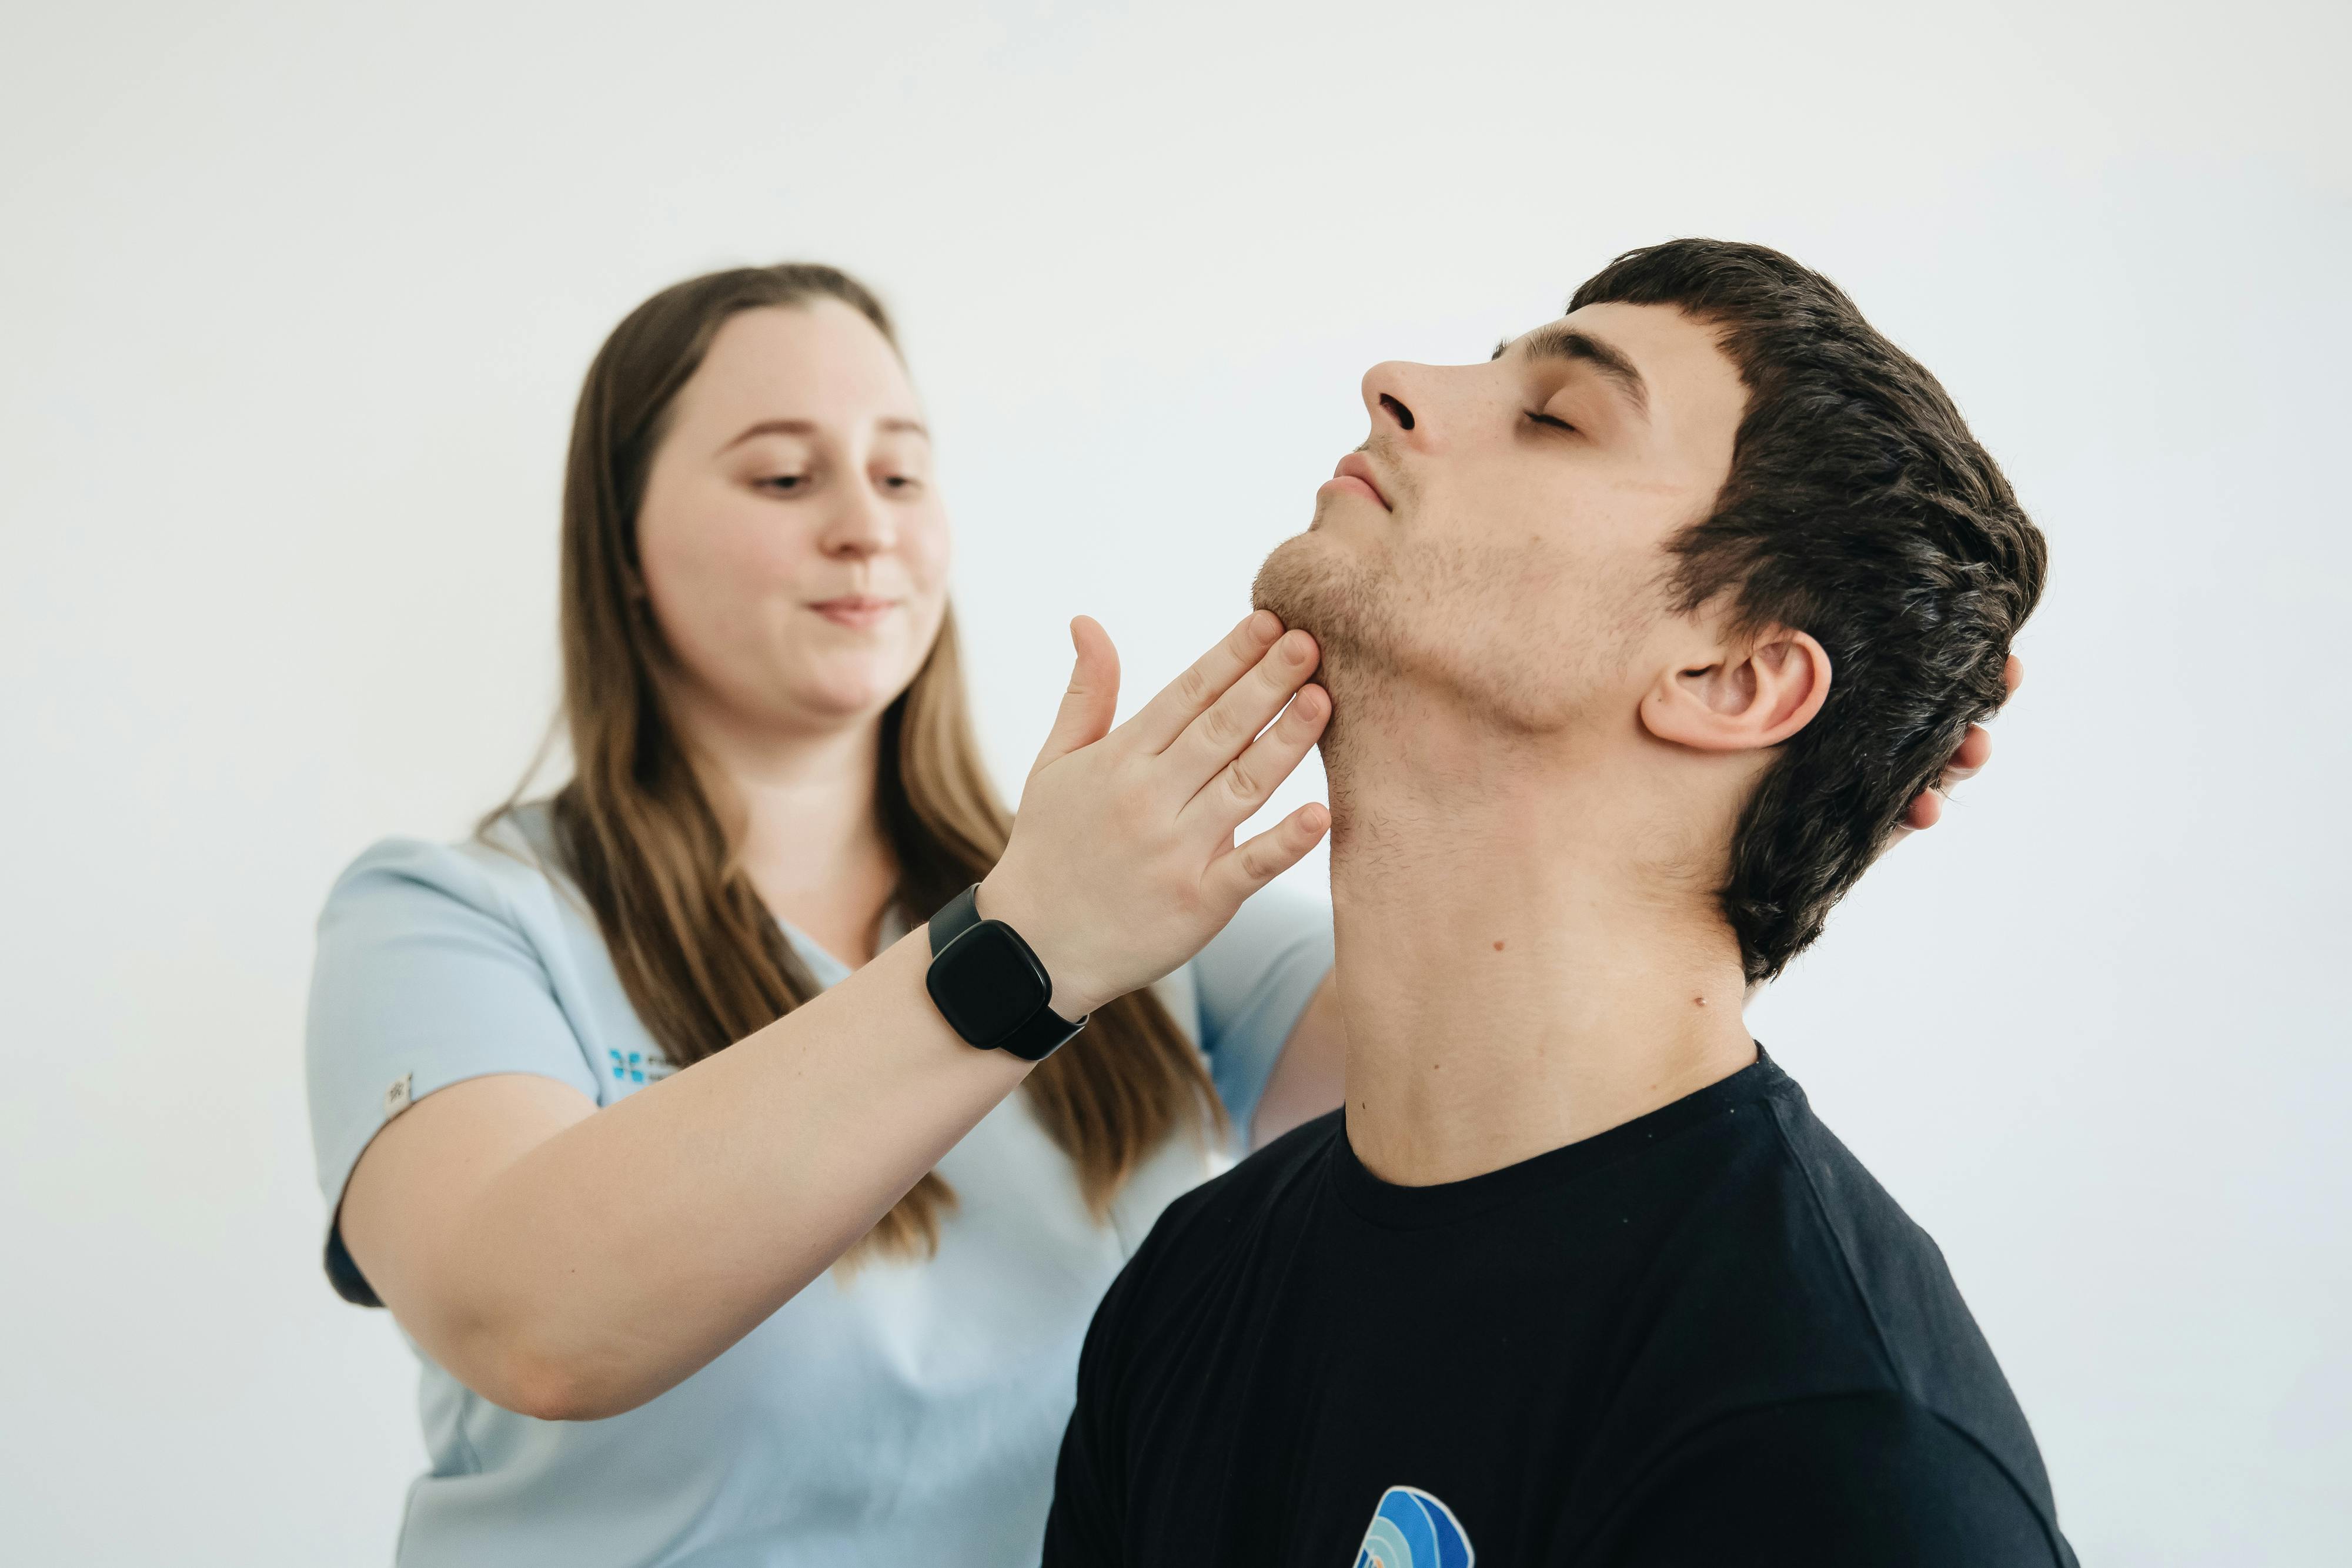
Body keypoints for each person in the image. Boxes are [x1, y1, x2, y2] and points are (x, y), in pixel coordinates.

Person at [306, 260, 1999, 1566]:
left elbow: (1518, 1045)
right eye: (779, 477)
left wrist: (1820, 773)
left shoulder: (1834, 1421)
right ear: (619, 541)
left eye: (903, 473)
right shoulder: (460, 919)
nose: (864, 527)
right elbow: (530, 1308)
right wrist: (1020, 952)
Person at [1040, 240, 2074, 1567]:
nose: (1392, 384)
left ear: (1729, 678)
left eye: (1553, 415)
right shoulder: (1192, 1279)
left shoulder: (1831, 1440)